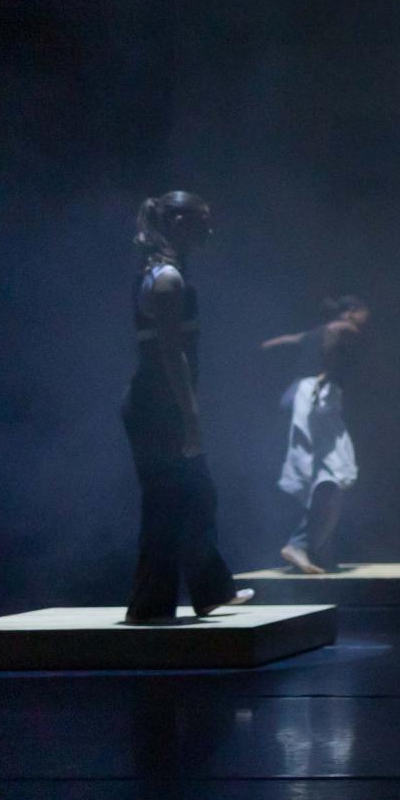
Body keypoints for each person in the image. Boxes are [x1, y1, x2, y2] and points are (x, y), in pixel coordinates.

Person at [122, 191, 253, 622]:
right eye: (202, 220)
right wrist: (190, 416)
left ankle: (204, 592)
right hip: (158, 405)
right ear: (178, 221)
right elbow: (171, 355)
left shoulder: (166, 272)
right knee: (173, 500)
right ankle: (154, 604)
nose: (209, 230)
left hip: (159, 404)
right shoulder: (167, 279)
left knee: (191, 497)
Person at [260, 296, 370, 574]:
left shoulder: (311, 333)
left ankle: (316, 550)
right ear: (351, 312)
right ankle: (301, 544)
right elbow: (334, 338)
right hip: (316, 398)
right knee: (335, 472)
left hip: (298, 395)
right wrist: (324, 373)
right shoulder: (344, 328)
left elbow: (277, 343)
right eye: (363, 313)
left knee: (324, 477)